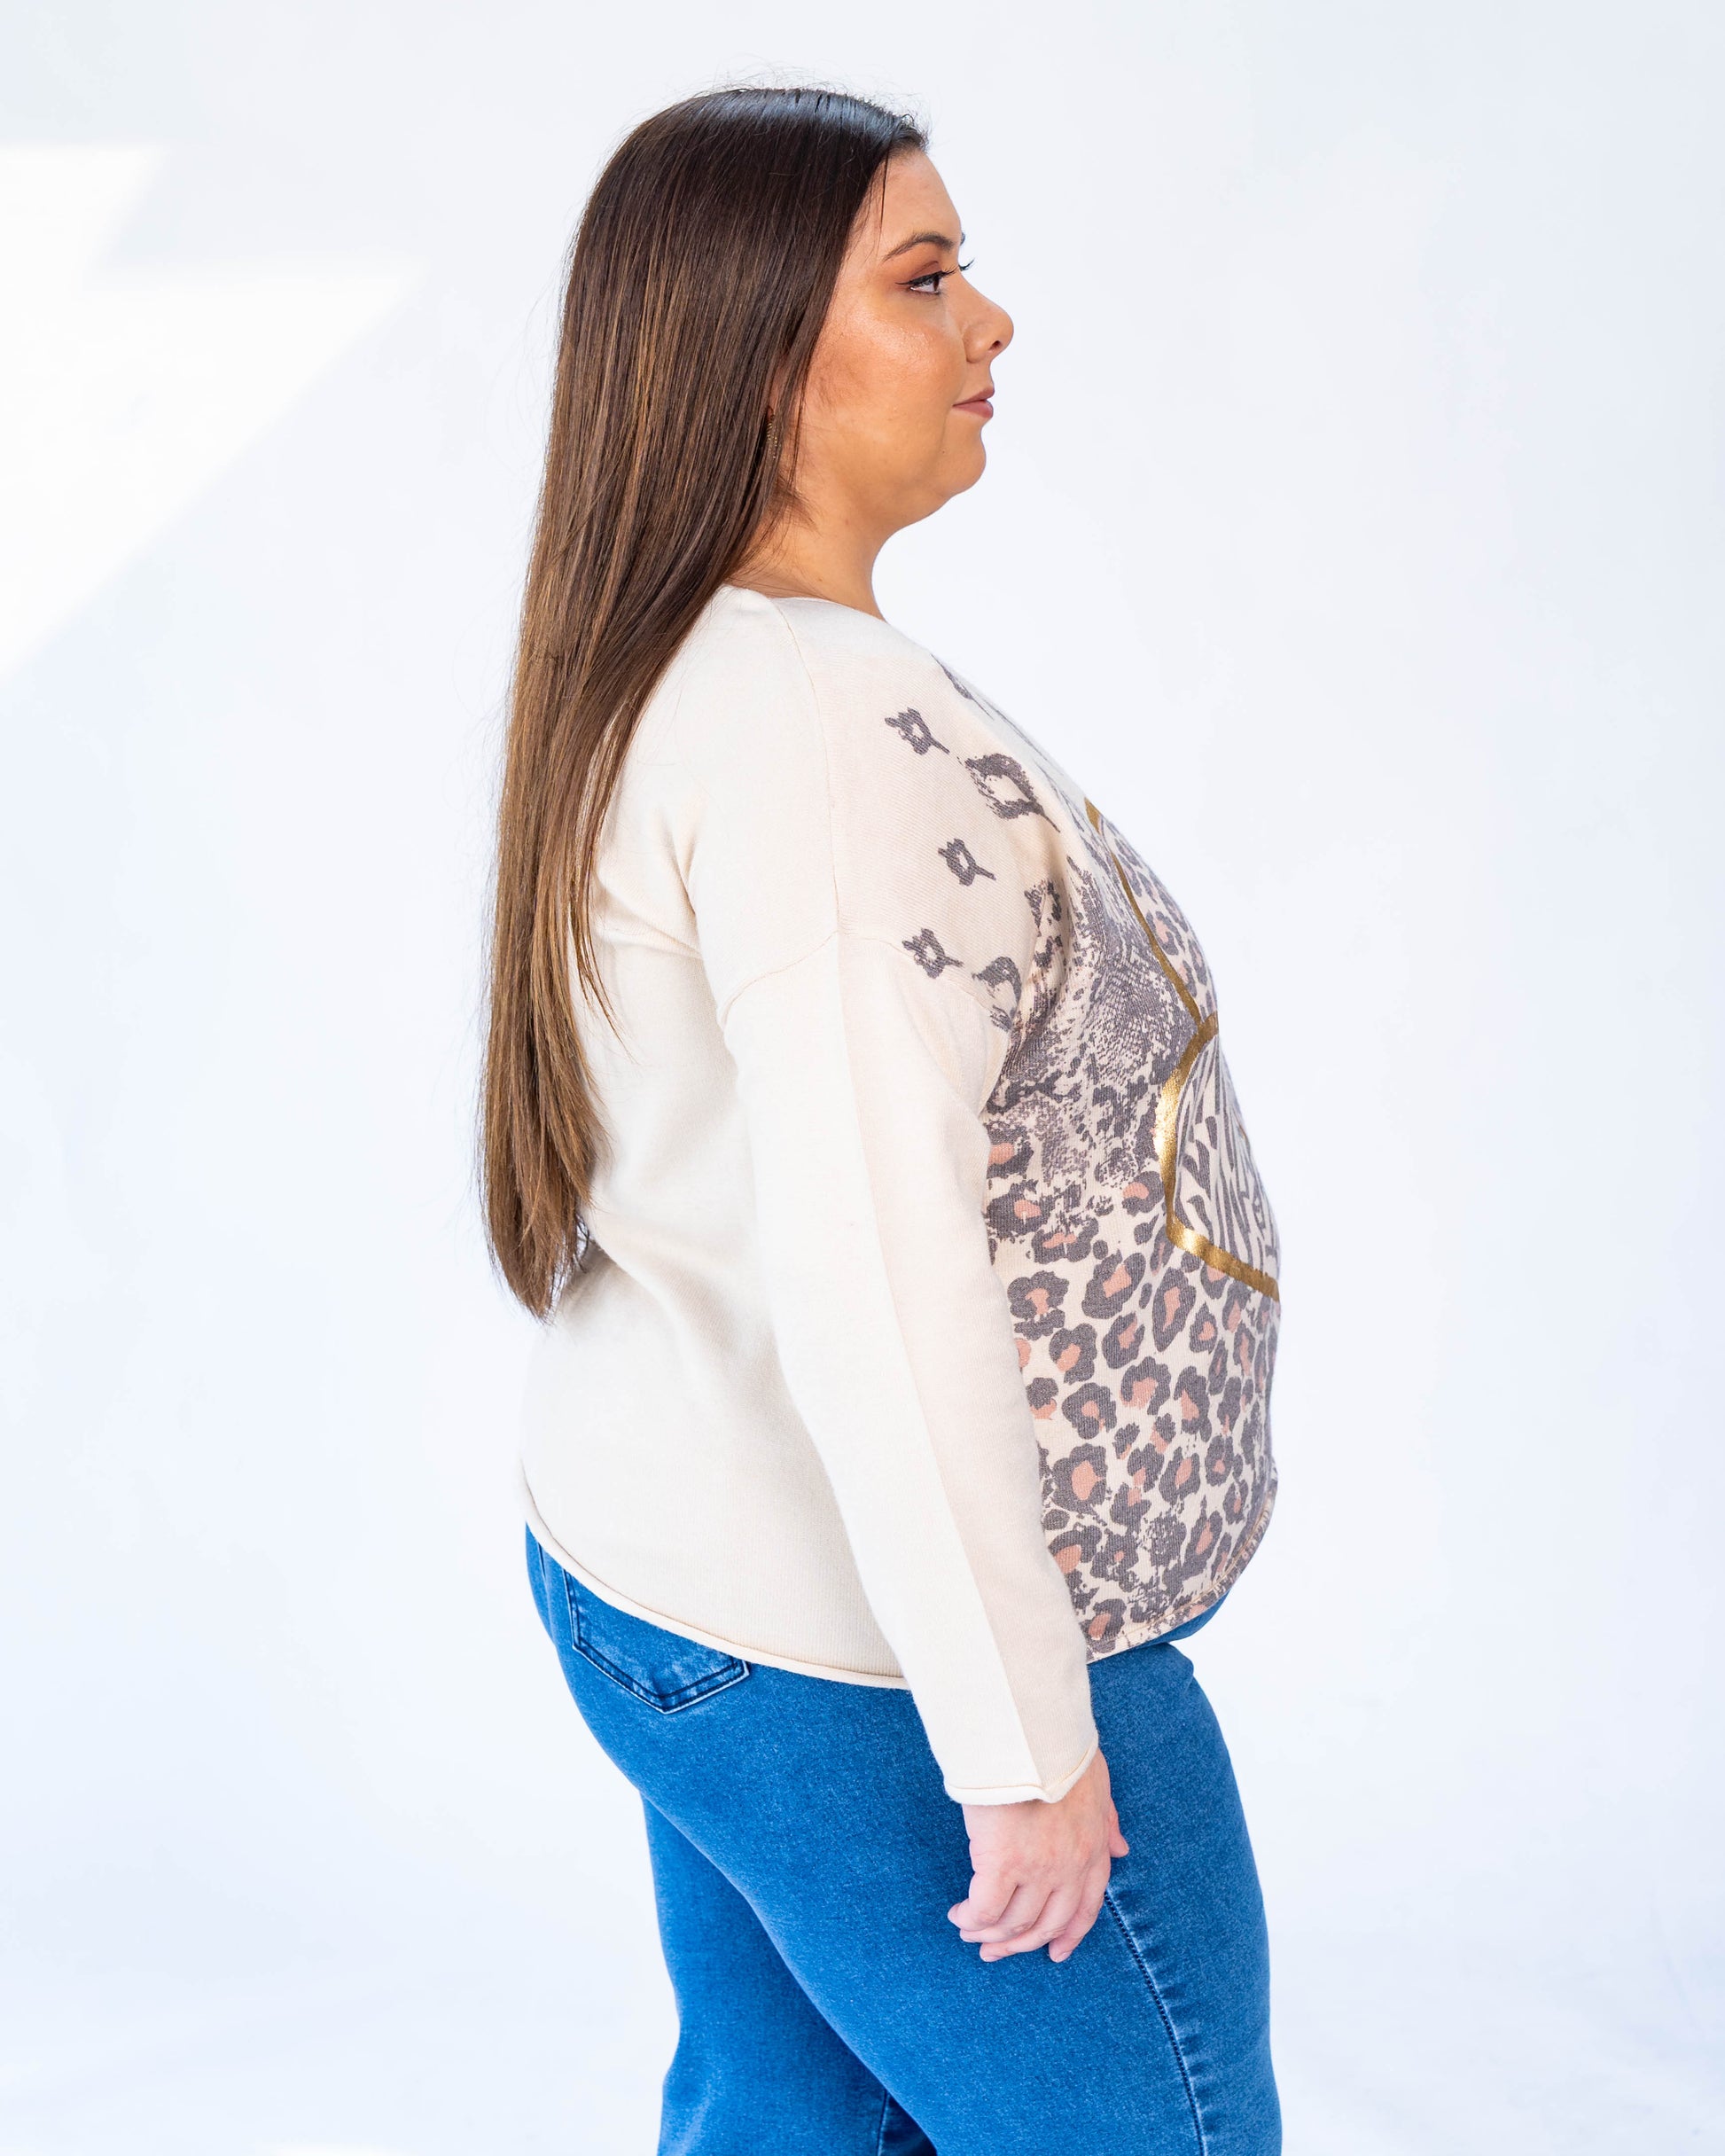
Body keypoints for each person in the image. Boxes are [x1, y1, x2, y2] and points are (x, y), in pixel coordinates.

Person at [481, 82, 1284, 2155]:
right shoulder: (815, 727)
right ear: (760, 356)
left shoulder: (705, 669)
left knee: (787, 2124)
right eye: (923, 279)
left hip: (691, 1582)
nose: (988, 321)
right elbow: (877, 1262)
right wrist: (1015, 1742)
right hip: (874, 1648)